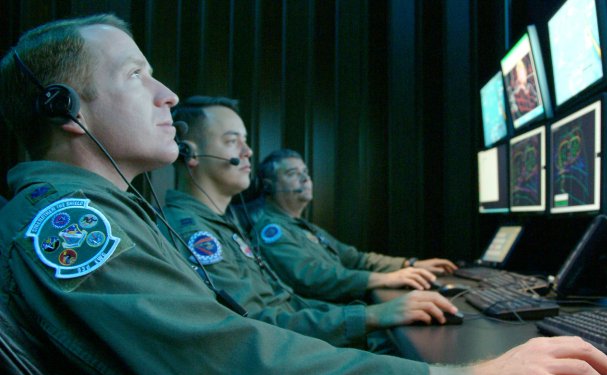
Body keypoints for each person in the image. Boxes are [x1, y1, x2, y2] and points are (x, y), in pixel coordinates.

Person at [0, 14, 607, 375]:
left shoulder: (113, 211)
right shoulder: (73, 226)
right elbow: (222, 366)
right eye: (139, 75)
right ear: (65, 109)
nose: (169, 95)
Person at [164, 95, 460, 352]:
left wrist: (378, 304)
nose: (248, 151)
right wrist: (371, 315)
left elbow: (290, 301)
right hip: (284, 358)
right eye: (232, 141)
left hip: (301, 340)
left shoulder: (223, 224)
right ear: (190, 153)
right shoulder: (195, 233)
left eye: (246, 141)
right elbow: (256, 323)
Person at [251, 149, 459, 302]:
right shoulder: (272, 231)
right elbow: (312, 278)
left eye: (305, 171)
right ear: (269, 186)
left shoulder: (305, 227)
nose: (305, 178)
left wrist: (410, 264)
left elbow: (356, 258)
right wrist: (384, 279)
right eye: (292, 174)